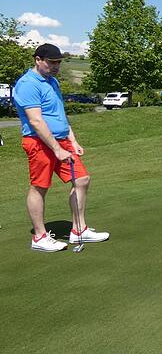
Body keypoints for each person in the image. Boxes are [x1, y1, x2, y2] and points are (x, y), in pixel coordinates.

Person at [13, 43, 109, 252]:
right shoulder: (28, 84)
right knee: (40, 186)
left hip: (62, 141)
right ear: (38, 60)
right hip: (39, 142)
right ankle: (39, 237)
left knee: (82, 179)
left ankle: (79, 230)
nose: (55, 66)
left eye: (58, 62)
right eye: (51, 62)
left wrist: (72, 139)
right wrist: (57, 149)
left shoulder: (52, 81)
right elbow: (36, 121)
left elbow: (59, 114)